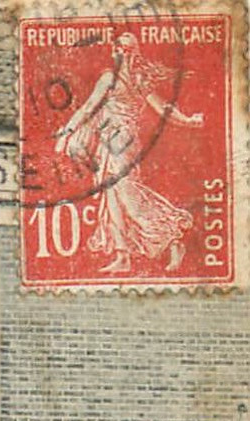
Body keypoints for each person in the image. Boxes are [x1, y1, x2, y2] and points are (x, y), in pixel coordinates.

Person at [53, 32, 203, 275]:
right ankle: (122, 256)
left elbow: (161, 108)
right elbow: (89, 107)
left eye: (126, 49)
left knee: (128, 197)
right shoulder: (117, 78)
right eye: (120, 48)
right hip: (110, 140)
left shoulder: (127, 79)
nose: (122, 52)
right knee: (110, 199)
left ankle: (172, 238)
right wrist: (68, 130)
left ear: (133, 52)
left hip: (122, 141)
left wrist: (188, 120)